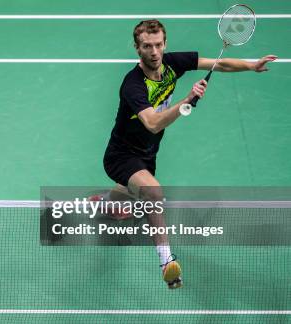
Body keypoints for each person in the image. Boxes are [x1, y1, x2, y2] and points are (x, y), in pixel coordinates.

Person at [90, 20, 277, 289]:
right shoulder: (133, 84)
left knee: (130, 193)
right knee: (152, 192)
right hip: (121, 155)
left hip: (147, 153)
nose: (153, 52)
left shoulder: (172, 64)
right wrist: (186, 100)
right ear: (137, 48)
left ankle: (104, 203)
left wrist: (251, 66)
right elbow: (153, 123)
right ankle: (167, 262)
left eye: (157, 45)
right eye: (146, 46)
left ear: (164, 44)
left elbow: (219, 64)